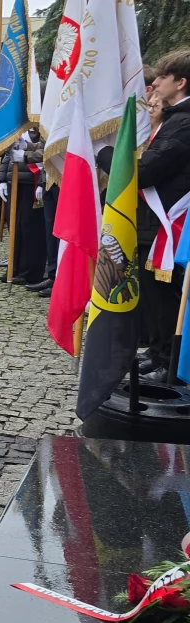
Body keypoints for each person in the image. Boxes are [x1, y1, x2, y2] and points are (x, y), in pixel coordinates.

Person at [99, 49, 190, 383]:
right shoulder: (174, 119)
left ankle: (170, 360)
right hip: (154, 222)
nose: (155, 84)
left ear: (180, 83)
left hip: (167, 224)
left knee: (163, 296)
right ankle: (158, 352)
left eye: (162, 78)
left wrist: (104, 151)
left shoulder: (184, 123)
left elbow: (147, 172)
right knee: (151, 295)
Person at [0, 129, 46, 287]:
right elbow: (8, 156)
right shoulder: (18, 126)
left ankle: (29, 271)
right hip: (14, 180)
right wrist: (2, 178)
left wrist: (43, 184)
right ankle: (15, 267)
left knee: (30, 229)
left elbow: (47, 152)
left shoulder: (45, 127)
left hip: (33, 182)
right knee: (15, 227)